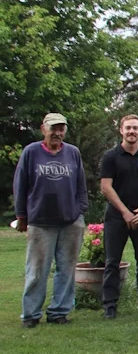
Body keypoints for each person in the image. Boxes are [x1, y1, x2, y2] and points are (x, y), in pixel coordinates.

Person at [14, 112, 88, 328]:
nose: (57, 132)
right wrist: (21, 216)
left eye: (61, 128)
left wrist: (80, 211)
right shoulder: (31, 152)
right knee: (37, 270)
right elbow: (21, 185)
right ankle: (31, 315)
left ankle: (59, 312)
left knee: (66, 269)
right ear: (43, 129)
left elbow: (81, 185)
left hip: (70, 222)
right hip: (40, 222)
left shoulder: (73, 153)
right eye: (53, 128)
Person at [99, 114, 138, 318]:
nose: (132, 131)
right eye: (128, 128)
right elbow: (106, 187)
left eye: (135, 128)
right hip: (117, 217)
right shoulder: (110, 156)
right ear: (121, 130)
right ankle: (110, 306)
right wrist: (124, 211)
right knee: (112, 261)